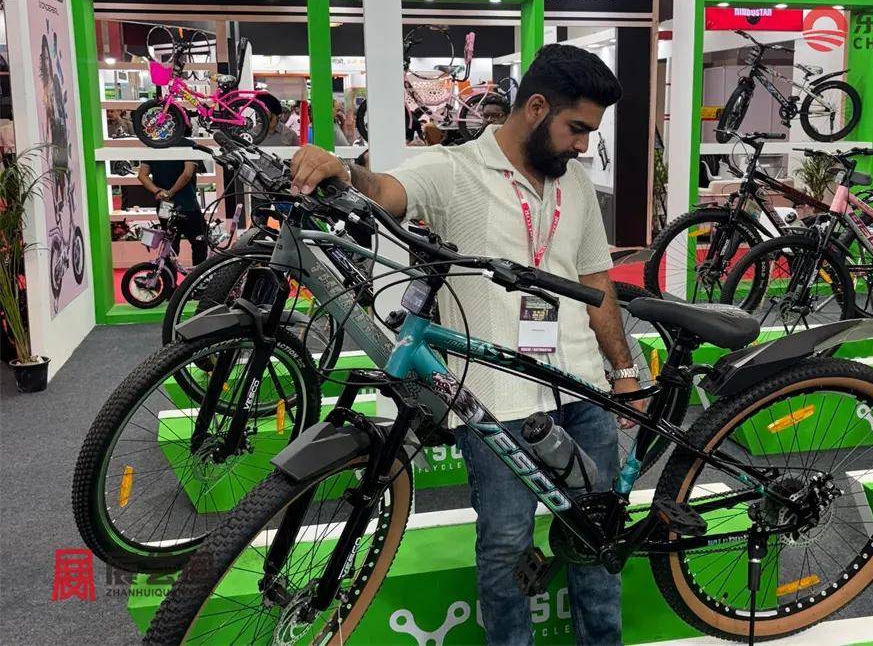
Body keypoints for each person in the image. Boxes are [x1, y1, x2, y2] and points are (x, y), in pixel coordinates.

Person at [290, 43, 638, 646]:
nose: (584, 146)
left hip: (581, 387)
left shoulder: (575, 184)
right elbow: (386, 190)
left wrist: (623, 370)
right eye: (577, 129)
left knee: (595, 536)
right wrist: (342, 171)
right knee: (504, 547)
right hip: (495, 400)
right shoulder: (454, 169)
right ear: (536, 108)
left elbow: (596, 280)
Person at [137, 158, 208, 266]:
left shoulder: (153, 150)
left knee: (169, 245)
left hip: (165, 205)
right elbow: (187, 174)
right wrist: (170, 192)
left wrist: (158, 191)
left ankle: (169, 275)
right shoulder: (188, 148)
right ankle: (199, 275)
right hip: (188, 205)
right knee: (199, 243)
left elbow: (142, 175)